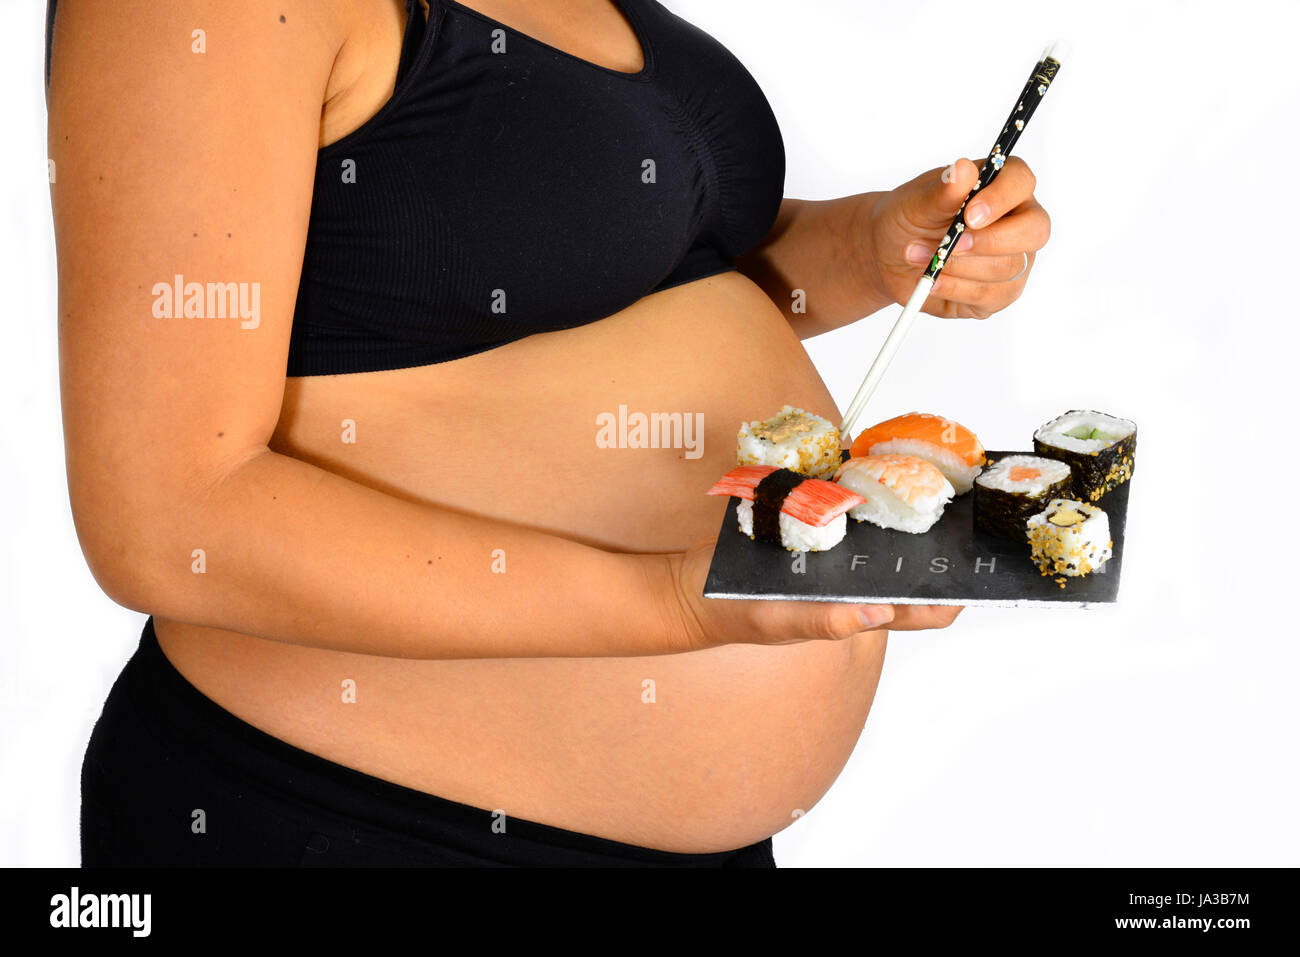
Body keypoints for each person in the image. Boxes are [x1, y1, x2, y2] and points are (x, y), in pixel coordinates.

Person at [49, 0, 1050, 866]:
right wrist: (673, 601)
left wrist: (877, 247)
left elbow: (636, 269)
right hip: (343, 822)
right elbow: (169, 513)